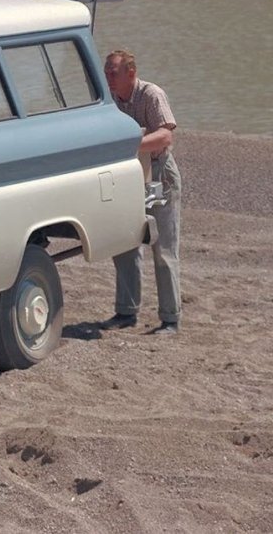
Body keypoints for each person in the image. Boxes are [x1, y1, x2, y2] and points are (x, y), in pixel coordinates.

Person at [99, 50, 182, 335]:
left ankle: (170, 319)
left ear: (130, 73)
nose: (108, 76)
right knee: (125, 244)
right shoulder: (108, 99)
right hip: (128, 175)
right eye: (106, 71)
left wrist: (131, 145)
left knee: (164, 249)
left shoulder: (151, 94)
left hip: (159, 173)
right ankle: (126, 312)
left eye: (113, 72)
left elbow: (166, 135)